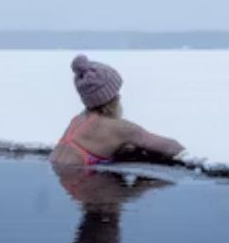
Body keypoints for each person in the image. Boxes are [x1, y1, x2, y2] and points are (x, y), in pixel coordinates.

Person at [49, 54, 184, 167]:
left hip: (61, 181)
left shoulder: (77, 120)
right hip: (84, 184)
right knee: (144, 185)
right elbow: (173, 148)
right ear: (113, 97)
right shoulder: (120, 129)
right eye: (117, 92)